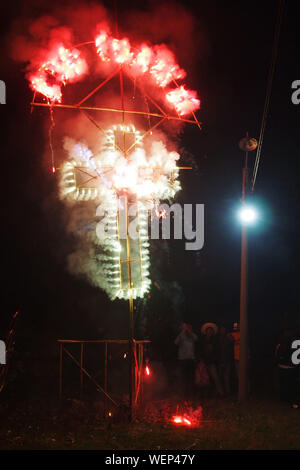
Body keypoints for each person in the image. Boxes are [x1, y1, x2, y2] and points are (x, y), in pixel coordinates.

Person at [275, 328, 299, 409]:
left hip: (284, 364)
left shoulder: (284, 341)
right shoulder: (294, 340)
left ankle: (285, 399)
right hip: (293, 365)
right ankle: (291, 401)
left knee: (286, 383)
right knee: (292, 384)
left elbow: (277, 351)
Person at [174, 322, 198, 400]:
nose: (187, 329)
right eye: (186, 327)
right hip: (182, 360)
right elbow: (176, 342)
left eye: (189, 327)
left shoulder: (193, 335)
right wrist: (183, 331)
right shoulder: (181, 335)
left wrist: (190, 331)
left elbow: (196, 339)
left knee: (190, 378)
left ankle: (190, 395)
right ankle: (182, 395)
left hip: (191, 359)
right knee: (182, 378)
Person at [200, 323, 223, 397]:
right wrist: (201, 360)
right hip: (205, 361)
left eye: (211, 330)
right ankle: (207, 394)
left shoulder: (215, 340)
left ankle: (220, 393)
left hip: (212, 362)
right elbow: (201, 350)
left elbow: (218, 351)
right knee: (206, 378)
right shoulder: (203, 340)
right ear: (206, 331)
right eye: (208, 330)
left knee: (215, 378)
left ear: (213, 332)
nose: (209, 332)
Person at [218, 326, 234, 396]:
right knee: (219, 377)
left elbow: (232, 343)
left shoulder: (228, 337)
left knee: (226, 377)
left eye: (224, 330)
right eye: (221, 330)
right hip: (220, 360)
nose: (222, 331)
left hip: (227, 360)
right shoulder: (218, 339)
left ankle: (228, 392)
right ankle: (221, 392)